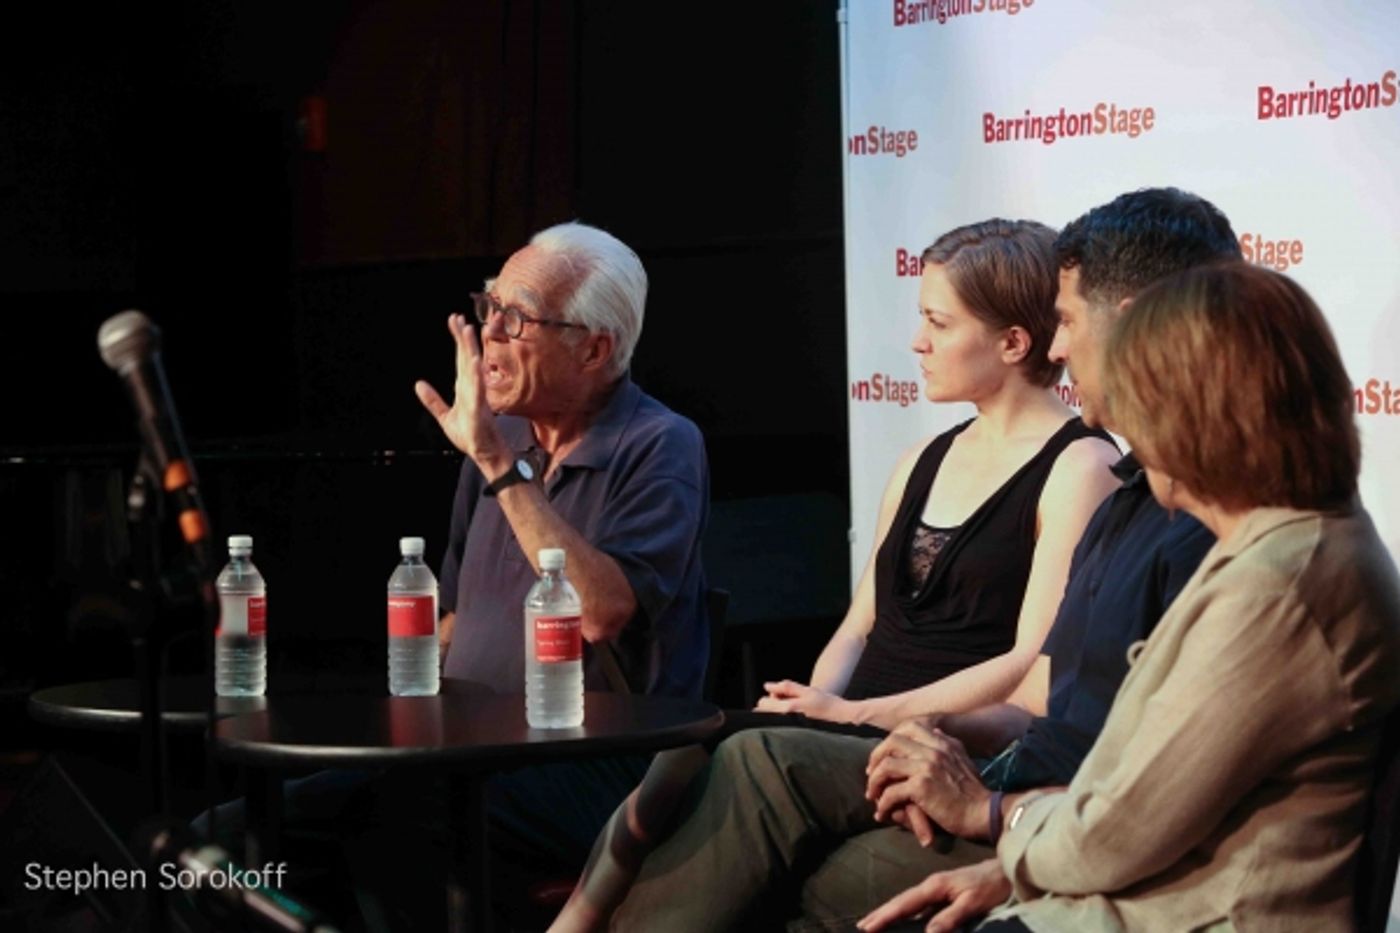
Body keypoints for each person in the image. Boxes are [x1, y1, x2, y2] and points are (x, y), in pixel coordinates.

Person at [570, 188, 1244, 933]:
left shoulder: (1119, 487)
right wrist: (841, 711)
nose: (1060, 350)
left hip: (1023, 796)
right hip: (981, 770)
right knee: (723, 748)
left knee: (776, 813)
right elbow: (993, 676)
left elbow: (1079, 728)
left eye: (937, 321)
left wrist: (936, 765)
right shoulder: (1122, 497)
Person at [860, 263, 1400, 933]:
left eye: (1135, 400)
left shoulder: (1279, 585)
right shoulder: (1275, 549)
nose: (1116, 425)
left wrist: (990, 814)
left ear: (1194, 415)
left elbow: (1119, 827)